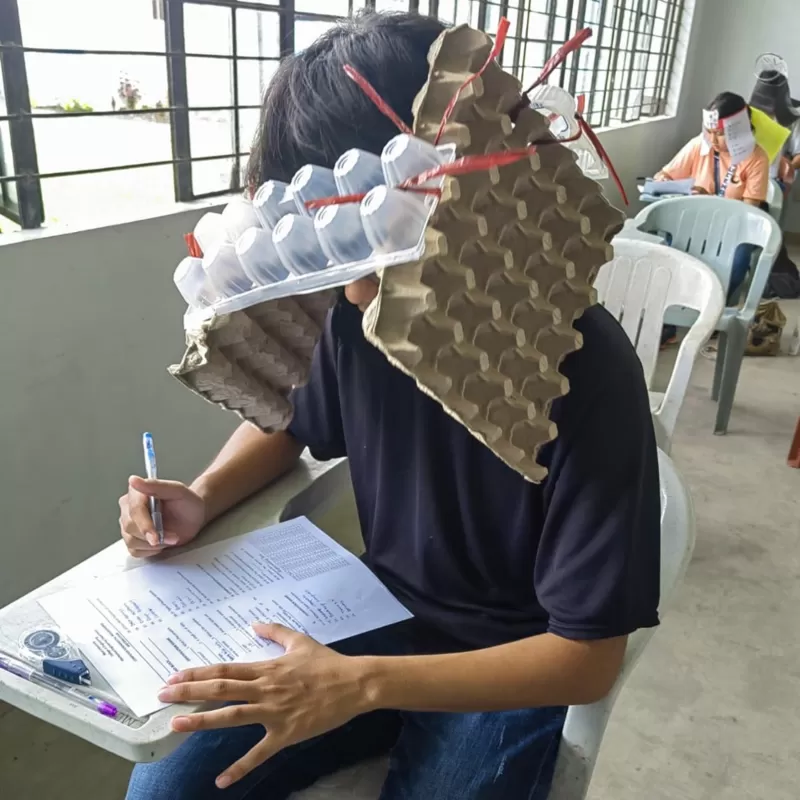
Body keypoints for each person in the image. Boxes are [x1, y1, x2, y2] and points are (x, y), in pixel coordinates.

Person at [121, 12, 661, 800]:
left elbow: (586, 657)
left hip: (508, 659)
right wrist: (202, 497)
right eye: (331, 249)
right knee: (165, 790)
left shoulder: (585, 367)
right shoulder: (359, 318)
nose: (350, 286)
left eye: (370, 248)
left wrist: (363, 684)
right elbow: (290, 430)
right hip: (376, 610)